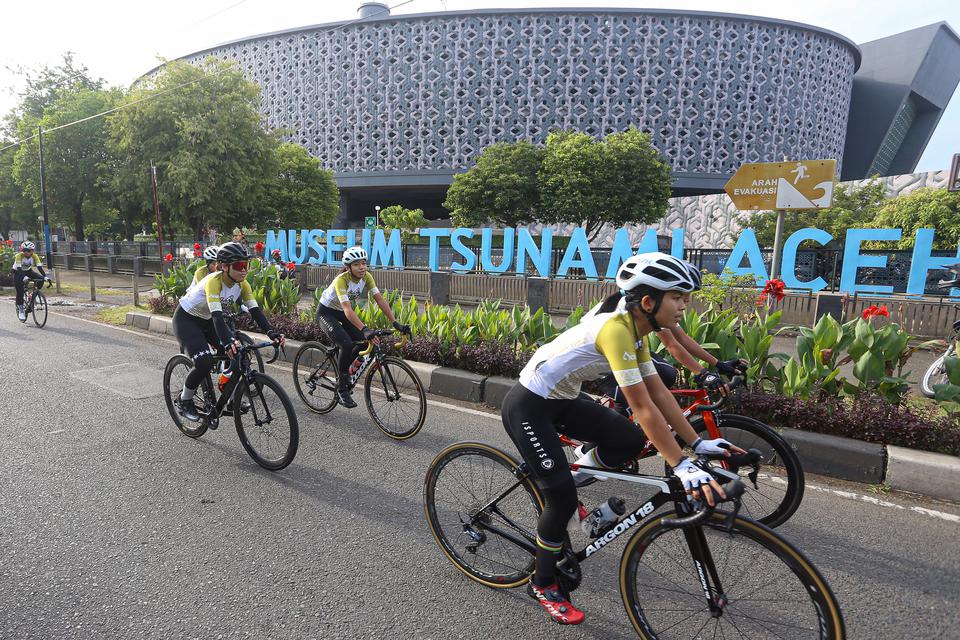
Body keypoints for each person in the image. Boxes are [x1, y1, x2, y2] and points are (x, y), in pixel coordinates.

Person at [500, 251, 744, 625]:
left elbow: (659, 395)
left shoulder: (636, 329)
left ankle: (566, 473)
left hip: (563, 399)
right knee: (562, 499)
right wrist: (680, 463)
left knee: (629, 443)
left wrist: (695, 444)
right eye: (678, 298)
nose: (684, 306)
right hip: (529, 405)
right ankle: (543, 581)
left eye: (685, 298)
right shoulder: (616, 329)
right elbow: (644, 406)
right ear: (648, 302)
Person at [594, 258, 747, 415]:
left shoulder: (662, 305)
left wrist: (718, 364)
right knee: (665, 375)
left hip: (621, 353)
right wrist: (702, 374)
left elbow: (682, 338)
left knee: (665, 375)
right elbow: (672, 345)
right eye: (682, 292)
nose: (687, 299)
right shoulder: (647, 306)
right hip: (603, 361)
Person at [172, 242, 285, 423]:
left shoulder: (243, 284)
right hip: (187, 320)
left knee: (239, 355)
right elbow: (217, 317)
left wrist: (272, 332)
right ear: (224, 266)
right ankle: (184, 400)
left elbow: (256, 312)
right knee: (204, 361)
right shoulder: (213, 282)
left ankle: (232, 400)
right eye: (239, 266)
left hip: (207, 320)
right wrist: (227, 342)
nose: (244, 270)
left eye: (246, 265)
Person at [314, 246, 410, 408]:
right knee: (346, 343)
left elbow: (380, 300)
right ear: (348, 267)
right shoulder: (341, 280)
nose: (362, 267)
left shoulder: (367, 277)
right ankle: (342, 387)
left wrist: (396, 323)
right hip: (326, 313)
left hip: (342, 313)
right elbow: (347, 309)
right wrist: (365, 330)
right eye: (357, 264)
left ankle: (345, 370)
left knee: (366, 343)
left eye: (363, 263)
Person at [11, 241, 50, 321]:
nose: (27, 252)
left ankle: (33, 295)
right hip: (18, 272)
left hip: (28, 271)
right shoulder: (19, 256)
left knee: (41, 279)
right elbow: (18, 268)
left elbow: (39, 268)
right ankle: (21, 310)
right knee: (20, 292)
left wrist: (45, 277)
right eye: (24, 250)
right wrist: (24, 277)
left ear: (33, 251)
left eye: (29, 250)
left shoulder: (35, 256)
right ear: (22, 250)